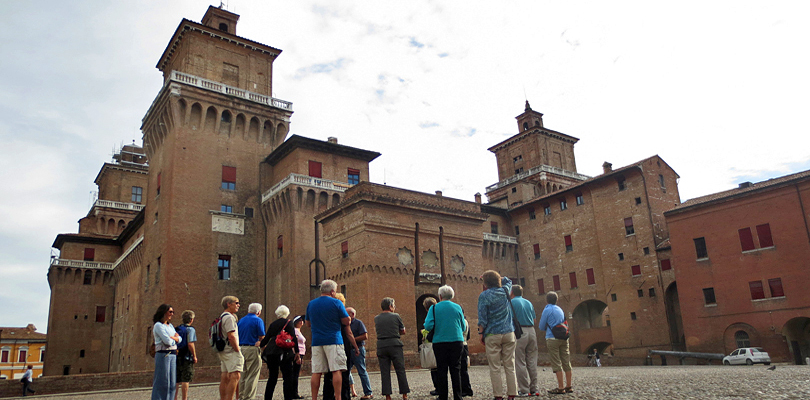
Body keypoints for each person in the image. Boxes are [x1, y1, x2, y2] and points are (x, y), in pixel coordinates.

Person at [306, 280, 359, 400]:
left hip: (317, 341)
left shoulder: (311, 304)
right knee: (336, 370)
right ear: (332, 291)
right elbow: (346, 321)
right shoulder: (336, 303)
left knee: (317, 371)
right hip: (334, 340)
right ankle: (338, 397)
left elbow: (308, 323)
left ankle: (314, 398)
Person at [477, 270, 518, 400]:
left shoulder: (484, 296)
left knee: (495, 367)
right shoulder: (505, 291)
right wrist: (500, 277)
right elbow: (509, 281)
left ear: (485, 283)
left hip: (492, 333)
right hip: (508, 332)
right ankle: (512, 394)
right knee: (509, 365)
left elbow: (482, 317)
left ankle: (498, 396)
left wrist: (481, 333)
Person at [423, 285, 466, 400]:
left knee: (442, 369)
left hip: (440, 342)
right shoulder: (458, 307)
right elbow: (463, 326)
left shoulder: (434, 308)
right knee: (456, 369)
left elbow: (428, 325)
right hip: (457, 341)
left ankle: (443, 396)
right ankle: (458, 396)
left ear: (440, 296)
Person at [261, 305, 300, 400]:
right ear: (287, 313)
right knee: (287, 377)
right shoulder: (288, 323)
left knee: (272, 377)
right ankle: (288, 397)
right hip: (285, 352)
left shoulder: (273, 324)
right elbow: (293, 338)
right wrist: (297, 352)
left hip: (272, 353)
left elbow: (266, 338)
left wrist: (262, 345)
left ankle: (268, 397)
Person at [375, 297, 410, 400]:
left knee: (384, 371)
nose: (394, 307)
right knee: (400, 369)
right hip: (395, 344)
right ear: (390, 306)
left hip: (381, 344)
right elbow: (403, 330)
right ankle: (404, 394)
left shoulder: (376, 318)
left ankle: (387, 395)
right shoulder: (396, 316)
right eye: (394, 305)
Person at [538, 291, 572, 395]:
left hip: (552, 338)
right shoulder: (560, 309)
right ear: (556, 300)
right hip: (564, 337)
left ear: (547, 300)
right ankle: (569, 386)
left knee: (556, 362)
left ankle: (561, 387)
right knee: (566, 361)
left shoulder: (547, 310)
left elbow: (541, 326)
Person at [510, 285, 539, 396]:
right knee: (532, 361)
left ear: (512, 292)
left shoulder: (512, 303)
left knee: (520, 361)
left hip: (520, 332)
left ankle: (524, 389)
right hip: (531, 331)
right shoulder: (529, 302)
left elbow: (510, 319)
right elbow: (534, 320)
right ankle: (534, 389)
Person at [324, 293, 352, 400]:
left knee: (328, 374)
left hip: (327, 343)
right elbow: (349, 332)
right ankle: (344, 397)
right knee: (344, 373)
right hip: (342, 343)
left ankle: (328, 397)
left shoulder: (326, 315)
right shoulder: (342, 314)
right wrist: (356, 346)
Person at [152, 304, 181, 400]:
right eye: (170, 312)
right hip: (163, 354)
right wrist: (175, 339)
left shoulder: (171, 326)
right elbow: (167, 341)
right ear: (164, 312)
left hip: (173, 354)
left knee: (172, 382)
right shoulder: (158, 326)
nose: (172, 314)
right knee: (162, 381)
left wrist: (175, 338)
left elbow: (180, 339)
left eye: (173, 312)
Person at [239, 303, 266, 400]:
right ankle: (248, 397)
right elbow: (262, 336)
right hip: (252, 348)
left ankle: (240, 396)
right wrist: (262, 344)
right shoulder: (258, 320)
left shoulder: (241, 320)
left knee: (242, 375)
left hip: (241, 348)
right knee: (252, 375)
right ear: (259, 312)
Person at [218, 296, 243, 400]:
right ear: (229, 304)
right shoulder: (229, 317)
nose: (238, 305)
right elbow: (231, 336)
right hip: (231, 350)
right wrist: (237, 349)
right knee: (235, 376)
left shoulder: (222, 316)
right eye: (236, 303)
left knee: (225, 376)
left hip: (223, 350)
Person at [346, 307, 373, 400]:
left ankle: (368, 392)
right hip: (348, 350)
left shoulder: (358, 323)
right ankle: (347, 392)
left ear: (352, 314)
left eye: (346, 313)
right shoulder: (345, 324)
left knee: (362, 371)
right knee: (345, 371)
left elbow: (365, 336)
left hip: (358, 349)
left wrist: (352, 339)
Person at [175, 310, 198, 400]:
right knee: (185, 378)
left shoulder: (177, 328)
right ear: (191, 319)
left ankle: (174, 398)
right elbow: (190, 344)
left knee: (176, 379)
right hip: (187, 356)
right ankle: (184, 398)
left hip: (177, 355)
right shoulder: (190, 329)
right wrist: (194, 356)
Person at [421, 297, 440, 397]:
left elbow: (428, 328)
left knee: (434, 368)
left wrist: (423, 332)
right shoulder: (440, 312)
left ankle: (438, 388)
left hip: (431, 343)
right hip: (440, 341)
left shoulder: (430, 313)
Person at [292, 315, 307, 399]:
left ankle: (294, 391)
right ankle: (294, 392)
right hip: (297, 353)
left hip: (301, 353)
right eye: (299, 321)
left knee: (295, 373)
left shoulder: (298, 331)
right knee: (295, 373)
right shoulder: (295, 331)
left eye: (302, 321)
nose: (301, 322)